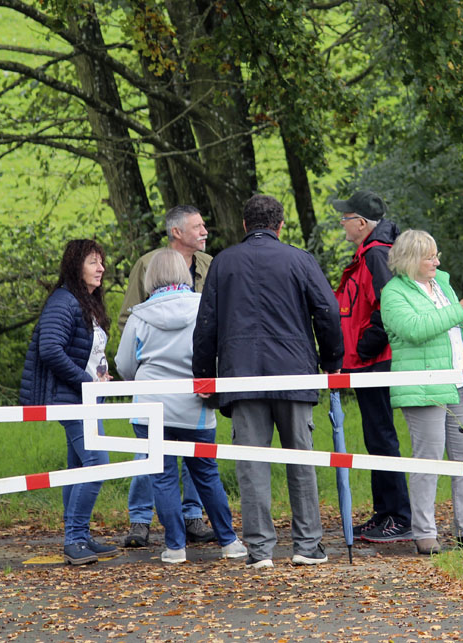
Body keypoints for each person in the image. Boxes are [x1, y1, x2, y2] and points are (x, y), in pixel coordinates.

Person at [192, 194, 343, 569]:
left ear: (245, 225)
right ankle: (307, 545)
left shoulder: (223, 262)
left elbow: (206, 323)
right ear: (280, 225)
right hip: (293, 372)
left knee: (252, 465)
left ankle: (260, 550)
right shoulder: (300, 260)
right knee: (300, 460)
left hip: (241, 377)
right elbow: (327, 310)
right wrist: (332, 361)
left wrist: (204, 376)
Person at [115, 249, 248, 563]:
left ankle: (175, 547)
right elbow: (217, 354)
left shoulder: (139, 316)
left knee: (162, 478)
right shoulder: (203, 308)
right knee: (206, 475)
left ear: (151, 277)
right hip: (195, 408)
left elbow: (124, 365)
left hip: (150, 410)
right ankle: (229, 541)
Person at [380, 230, 463, 556]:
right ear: (411, 259)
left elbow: (460, 328)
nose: (437, 262)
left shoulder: (441, 283)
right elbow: (416, 330)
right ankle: (425, 533)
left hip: (460, 384)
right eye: (430, 257)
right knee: (428, 461)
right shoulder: (393, 293)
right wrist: (460, 308)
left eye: (436, 255)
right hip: (423, 388)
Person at [117, 205, 215, 549]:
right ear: (176, 232)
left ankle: (192, 517)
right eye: (197, 226)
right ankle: (140, 520)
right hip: (155, 385)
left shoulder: (209, 265)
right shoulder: (148, 264)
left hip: (195, 384)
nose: (204, 231)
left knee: (195, 457)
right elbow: (129, 317)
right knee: (149, 456)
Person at [20, 239, 119, 565]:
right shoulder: (64, 301)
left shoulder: (84, 302)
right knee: (97, 463)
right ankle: (74, 538)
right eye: (93, 262)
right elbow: (50, 349)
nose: (101, 268)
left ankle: (80, 536)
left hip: (86, 398)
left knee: (78, 468)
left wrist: (100, 376)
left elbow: (86, 353)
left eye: (101, 262)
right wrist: (87, 381)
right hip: (73, 399)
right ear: (76, 267)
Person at [331, 190, 412, 544]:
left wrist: (364, 346)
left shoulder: (376, 255)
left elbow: (387, 308)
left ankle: (400, 518)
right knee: (375, 436)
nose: (342, 223)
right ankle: (385, 513)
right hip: (368, 361)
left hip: (375, 361)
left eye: (345, 217)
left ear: (361, 223)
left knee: (381, 436)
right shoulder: (371, 253)